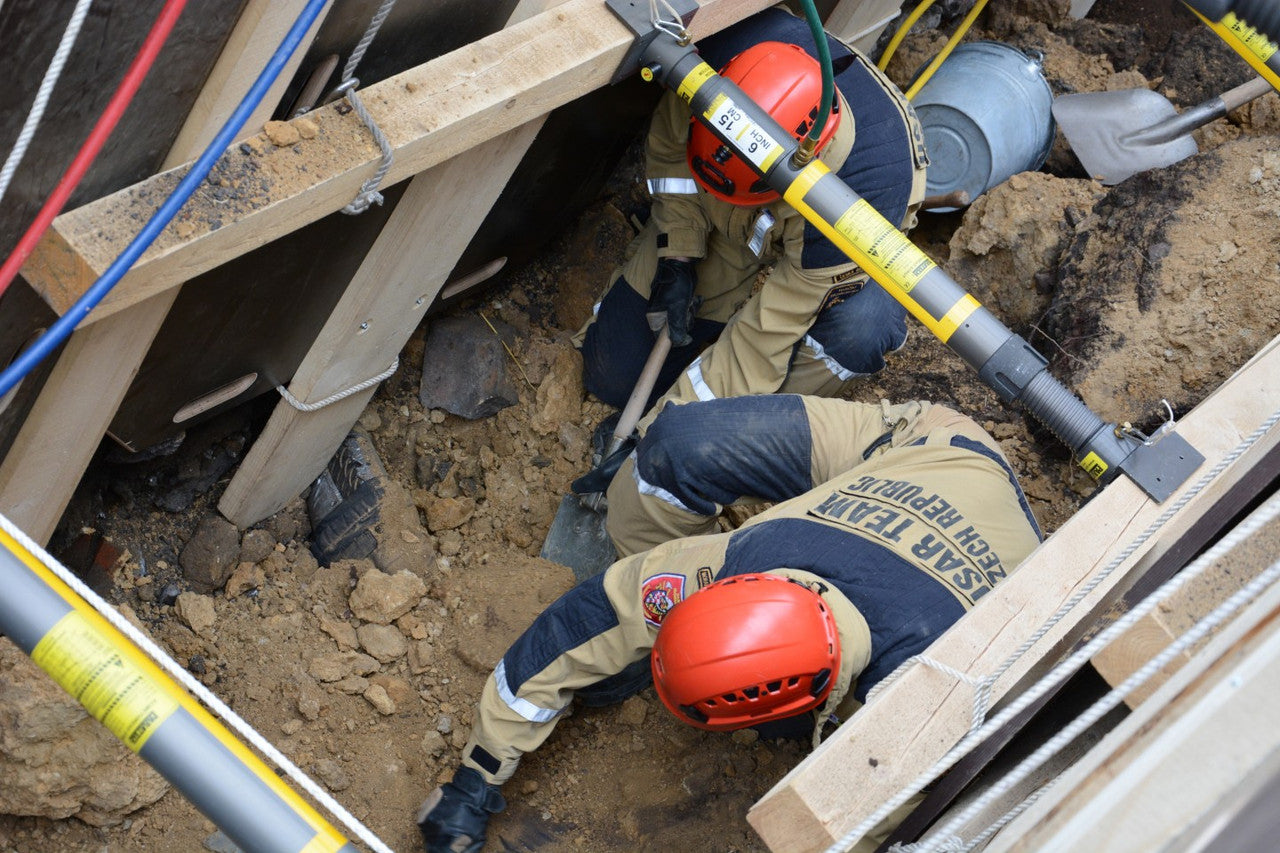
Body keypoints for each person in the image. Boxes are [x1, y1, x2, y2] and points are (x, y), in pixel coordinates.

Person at [416, 395, 1043, 852]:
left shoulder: (916, 704)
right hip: (921, 447)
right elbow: (578, 625)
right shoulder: (738, 560)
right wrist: (475, 778)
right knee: (677, 444)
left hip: (995, 525)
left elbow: (874, 831)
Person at [575, 5, 929, 417]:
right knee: (613, 377)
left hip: (829, 234)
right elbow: (672, 153)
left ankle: (749, 426)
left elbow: (759, 344)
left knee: (861, 327)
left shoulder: (852, 216)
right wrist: (679, 254)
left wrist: (660, 434)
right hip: (738, 209)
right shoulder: (712, 62)